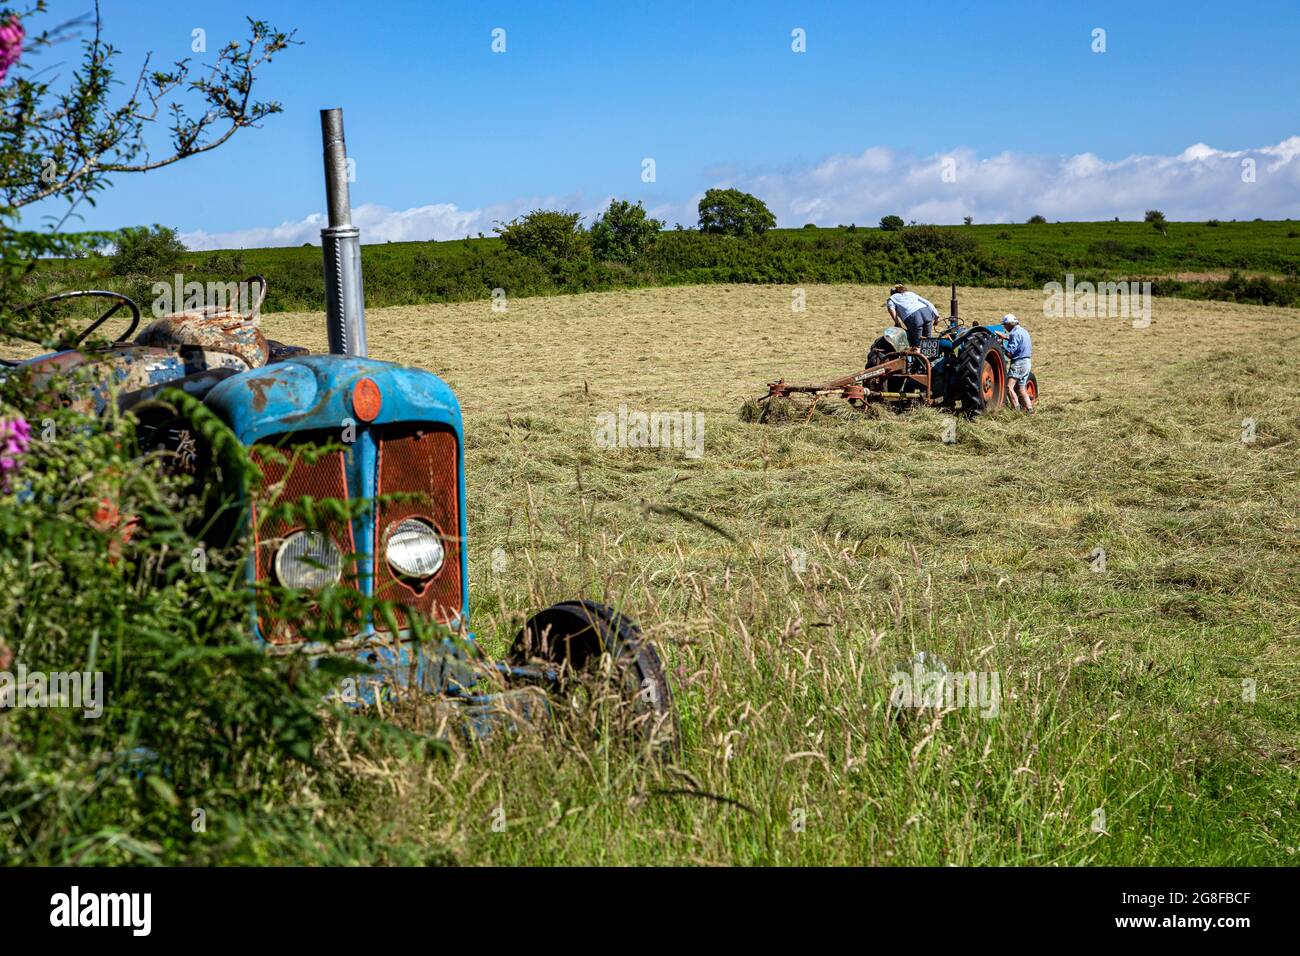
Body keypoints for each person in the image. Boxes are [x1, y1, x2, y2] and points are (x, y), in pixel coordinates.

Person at [1000, 314, 1033, 411]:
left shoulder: (1014, 334)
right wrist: (1005, 337)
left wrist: (1001, 346)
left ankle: (1016, 409)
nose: (1005, 327)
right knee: (1022, 389)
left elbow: (1009, 354)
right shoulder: (1024, 331)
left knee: (1009, 387)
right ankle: (1030, 409)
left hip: (1018, 363)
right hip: (1027, 362)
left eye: (1005, 325)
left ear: (1010, 324)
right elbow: (1017, 340)